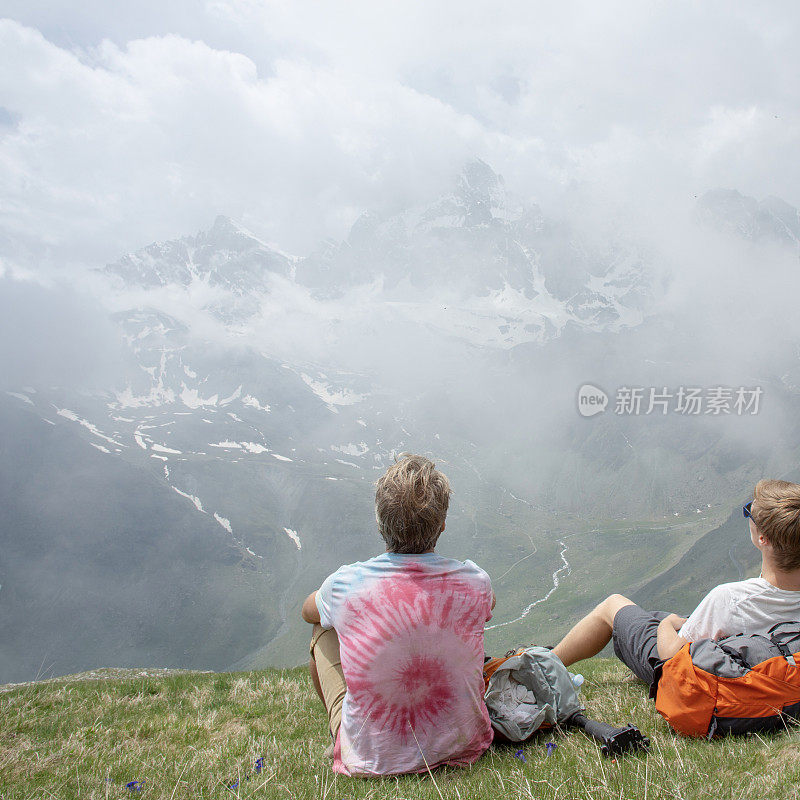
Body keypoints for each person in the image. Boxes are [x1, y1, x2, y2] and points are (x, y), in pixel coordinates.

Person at [301, 453, 495, 777]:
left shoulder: (345, 586)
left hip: (371, 763)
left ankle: (347, 738)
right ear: (442, 523)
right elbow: (486, 614)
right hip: (466, 746)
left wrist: (337, 602)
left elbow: (307, 612)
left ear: (380, 521)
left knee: (322, 629)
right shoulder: (476, 583)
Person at [552, 479, 800, 690]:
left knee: (613, 606)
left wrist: (667, 625)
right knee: (652, 617)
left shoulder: (731, 600)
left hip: (688, 676)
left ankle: (543, 665)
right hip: (764, 659)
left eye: (749, 512)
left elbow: (670, 657)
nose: (747, 515)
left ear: (762, 538)